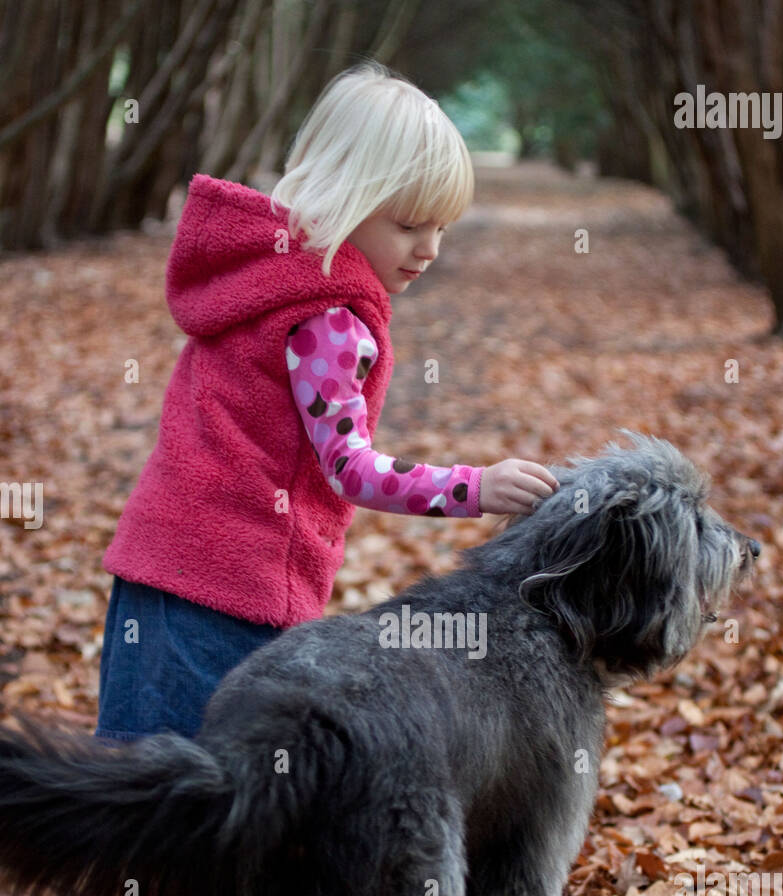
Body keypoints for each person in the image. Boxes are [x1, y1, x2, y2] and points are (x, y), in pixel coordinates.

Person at [96, 61, 559, 743]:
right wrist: (475, 487)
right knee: (199, 799)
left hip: (164, 567)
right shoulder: (327, 321)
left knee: (143, 785)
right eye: (408, 225)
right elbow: (351, 467)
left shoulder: (266, 280)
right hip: (227, 592)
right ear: (345, 195)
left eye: (442, 228)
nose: (429, 249)